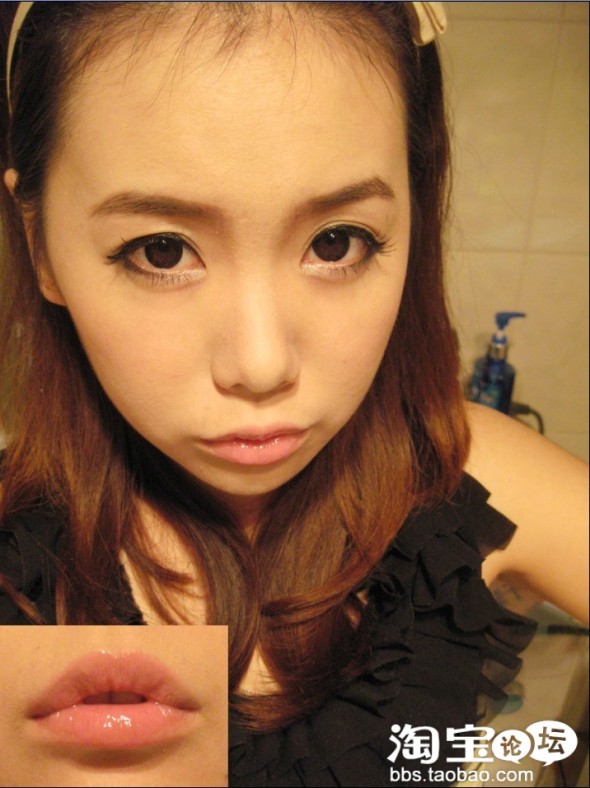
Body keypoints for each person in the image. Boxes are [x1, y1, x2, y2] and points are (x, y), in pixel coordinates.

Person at [0, 2, 586, 786]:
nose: (261, 363)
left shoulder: (475, 477)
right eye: (161, 250)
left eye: (336, 242)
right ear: (40, 244)